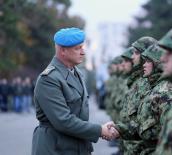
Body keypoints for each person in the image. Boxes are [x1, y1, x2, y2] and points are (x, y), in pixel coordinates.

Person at [31, 27, 119, 155]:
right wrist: (100, 130)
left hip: (76, 145)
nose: (83, 52)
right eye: (77, 48)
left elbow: (78, 116)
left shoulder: (76, 73)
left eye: (82, 47)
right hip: (55, 148)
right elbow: (63, 121)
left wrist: (102, 129)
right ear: (63, 51)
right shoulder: (49, 79)